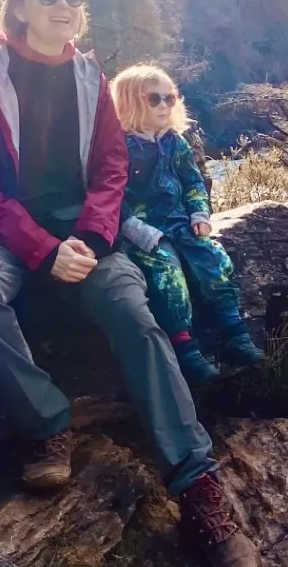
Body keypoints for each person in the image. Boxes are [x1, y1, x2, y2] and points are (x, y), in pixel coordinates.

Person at [0, 0, 261, 567]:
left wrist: (87, 237)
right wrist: (41, 248)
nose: (65, 3)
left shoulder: (89, 77)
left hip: (81, 233)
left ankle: (198, 487)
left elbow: (111, 171)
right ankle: (48, 425)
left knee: (135, 313)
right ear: (19, 6)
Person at [110, 64, 267, 385]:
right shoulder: (118, 148)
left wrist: (199, 214)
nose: (165, 105)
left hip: (181, 223)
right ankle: (185, 347)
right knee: (167, 273)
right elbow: (112, 196)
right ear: (129, 102)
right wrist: (135, 230)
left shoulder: (175, 143)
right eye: (154, 99)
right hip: (145, 232)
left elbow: (193, 182)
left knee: (213, 258)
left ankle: (234, 330)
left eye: (171, 97)